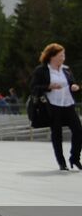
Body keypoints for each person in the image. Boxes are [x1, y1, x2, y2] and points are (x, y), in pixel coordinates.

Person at [30, 44, 81, 172]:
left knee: (79, 131)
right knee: (57, 134)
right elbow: (34, 87)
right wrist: (49, 86)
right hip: (52, 106)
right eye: (60, 55)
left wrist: (74, 87)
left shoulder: (66, 69)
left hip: (68, 104)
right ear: (52, 56)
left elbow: (72, 83)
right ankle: (61, 162)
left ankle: (74, 158)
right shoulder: (41, 70)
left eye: (63, 55)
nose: (63, 58)